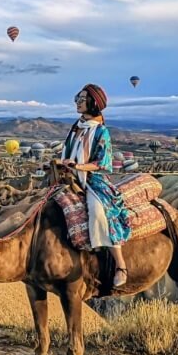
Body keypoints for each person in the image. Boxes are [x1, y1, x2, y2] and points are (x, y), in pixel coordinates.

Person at [59, 84, 131, 287]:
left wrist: (79, 166)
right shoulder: (76, 127)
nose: (78, 102)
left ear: (93, 103)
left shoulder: (101, 132)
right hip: (70, 177)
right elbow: (67, 153)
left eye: (82, 99)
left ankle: (120, 264)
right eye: (77, 98)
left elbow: (103, 163)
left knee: (98, 212)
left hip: (94, 180)